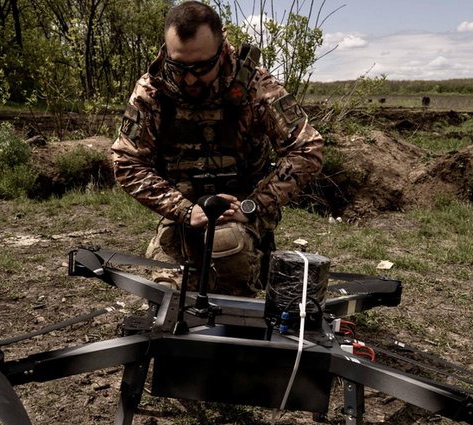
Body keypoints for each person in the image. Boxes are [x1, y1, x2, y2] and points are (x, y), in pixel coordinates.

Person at [111, 1, 323, 296]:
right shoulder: (153, 91)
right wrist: (185, 210)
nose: (188, 78)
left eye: (200, 68)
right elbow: (126, 161)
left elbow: (307, 149)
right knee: (168, 295)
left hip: (240, 207)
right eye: (178, 66)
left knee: (228, 254)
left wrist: (254, 206)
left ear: (222, 45)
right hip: (183, 208)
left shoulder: (255, 86)